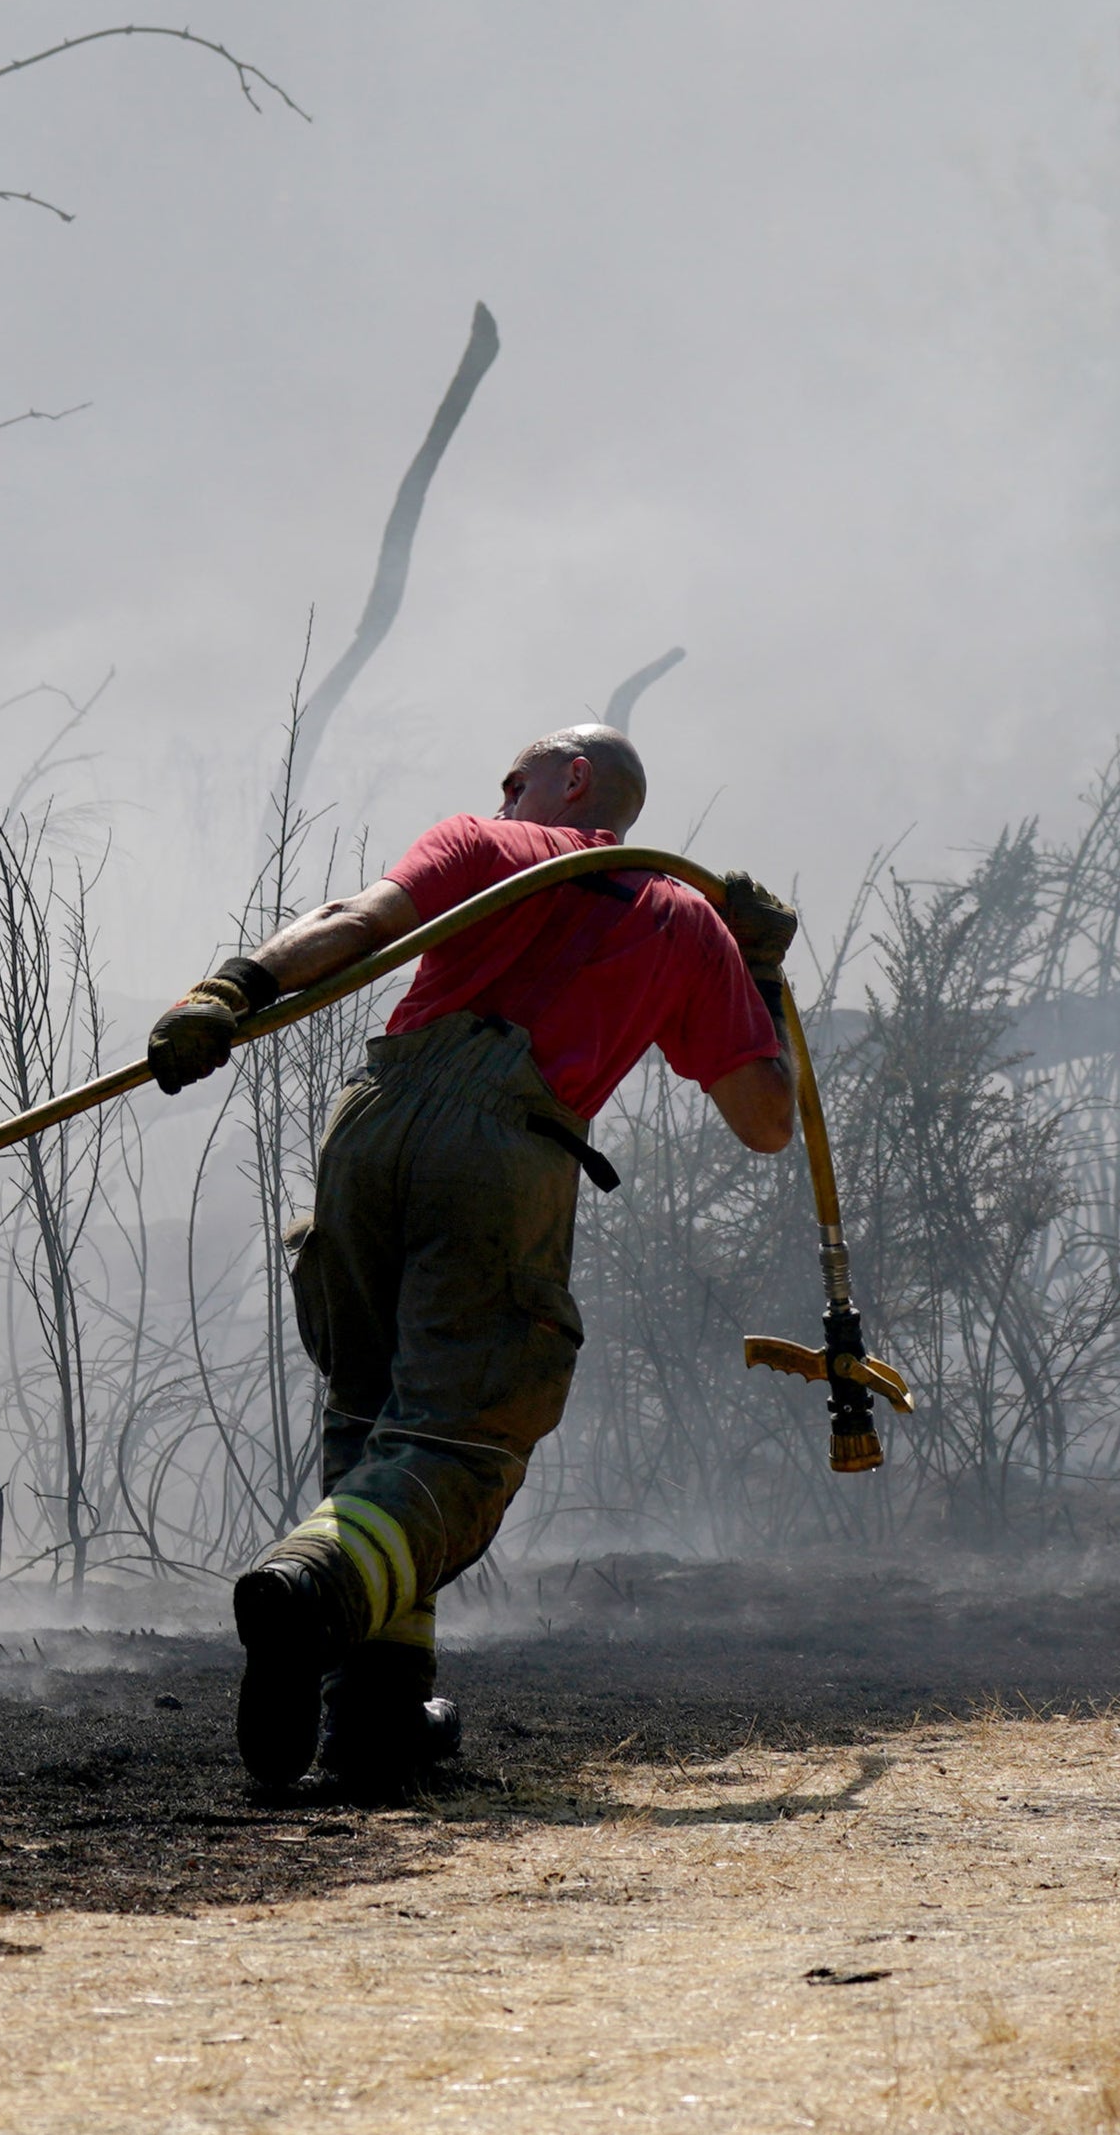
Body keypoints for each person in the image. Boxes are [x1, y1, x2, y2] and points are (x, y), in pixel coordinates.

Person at [145, 724, 799, 1798]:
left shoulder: (481, 848)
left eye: (517, 776)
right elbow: (766, 1120)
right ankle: (307, 1596)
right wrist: (757, 974)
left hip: (370, 1126)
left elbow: (352, 924)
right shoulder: (685, 925)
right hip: (501, 1151)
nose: (496, 794)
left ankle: (375, 1719)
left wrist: (226, 992)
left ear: (572, 781)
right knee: (454, 1438)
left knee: (371, 1420)